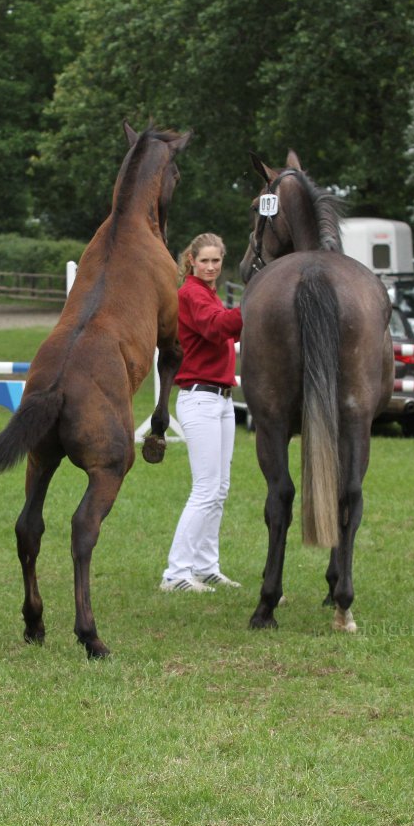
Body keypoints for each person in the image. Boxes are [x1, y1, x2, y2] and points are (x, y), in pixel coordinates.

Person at [160, 233, 244, 593]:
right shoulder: (191, 294)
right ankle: (175, 574)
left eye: (217, 261)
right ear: (191, 260)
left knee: (219, 488)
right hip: (200, 399)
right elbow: (216, 327)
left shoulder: (207, 294)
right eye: (205, 260)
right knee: (206, 488)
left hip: (221, 399)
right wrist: (256, 302)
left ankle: (206, 566)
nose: (211, 266)